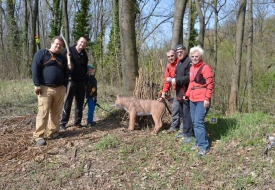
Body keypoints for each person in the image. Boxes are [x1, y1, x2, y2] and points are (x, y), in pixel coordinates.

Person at [31, 36, 68, 146]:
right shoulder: (42, 53)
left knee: (56, 113)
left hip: (60, 89)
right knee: (43, 112)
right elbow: (35, 68)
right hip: (45, 88)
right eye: (56, 44)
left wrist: (64, 86)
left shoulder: (62, 58)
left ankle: (53, 132)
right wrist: (37, 84)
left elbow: (66, 72)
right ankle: (39, 136)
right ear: (52, 43)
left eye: (60, 45)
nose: (58, 46)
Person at [184, 46, 214, 156]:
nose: (194, 58)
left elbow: (210, 84)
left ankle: (204, 146)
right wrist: (187, 95)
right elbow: (191, 83)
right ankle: (197, 142)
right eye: (192, 56)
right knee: (193, 122)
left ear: (201, 56)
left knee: (198, 122)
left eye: (196, 56)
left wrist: (207, 99)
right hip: (193, 99)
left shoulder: (205, 68)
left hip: (202, 99)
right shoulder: (192, 68)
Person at [60, 37, 89, 130]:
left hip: (81, 82)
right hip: (70, 81)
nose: (82, 44)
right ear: (78, 41)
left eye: (84, 43)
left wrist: (88, 72)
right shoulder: (68, 51)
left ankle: (77, 122)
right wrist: (68, 66)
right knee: (68, 102)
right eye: (81, 42)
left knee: (80, 103)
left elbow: (85, 68)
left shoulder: (84, 54)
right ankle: (63, 123)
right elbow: (61, 63)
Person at [172, 44, 194, 144]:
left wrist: (176, 80)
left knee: (187, 114)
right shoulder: (179, 63)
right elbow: (177, 74)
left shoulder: (189, 62)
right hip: (179, 93)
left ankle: (189, 134)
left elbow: (189, 78)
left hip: (187, 93)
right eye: (177, 52)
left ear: (185, 51)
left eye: (181, 51)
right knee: (182, 113)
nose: (179, 53)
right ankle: (185, 132)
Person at [158, 49, 182, 133]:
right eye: (168, 57)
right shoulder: (169, 66)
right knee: (175, 108)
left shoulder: (181, 63)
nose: (170, 58)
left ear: (175, 54)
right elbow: (167, 82)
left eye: (172, 56)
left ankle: (183, 128)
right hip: (177, 91)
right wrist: (163, 95)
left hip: (185, 90)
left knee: (184, 110)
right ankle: (174, 127)